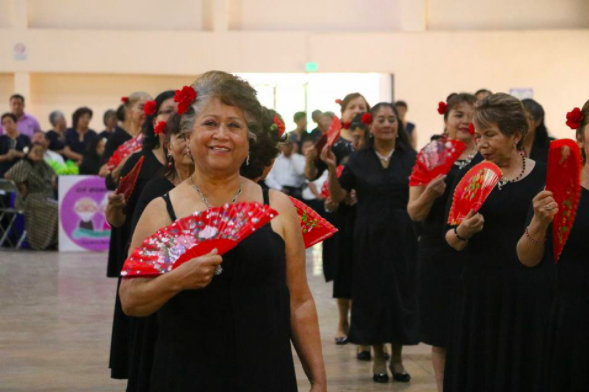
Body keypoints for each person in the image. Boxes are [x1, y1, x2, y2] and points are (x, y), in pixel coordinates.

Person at [119, 71, 326, 392]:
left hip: (266, 372)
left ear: (249, 140)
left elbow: (299, 301)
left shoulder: (280, 207)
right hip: (186, 374)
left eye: (234, 125)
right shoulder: (161, 210)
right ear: (187, 137)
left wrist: (318, 379)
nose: (222, 135)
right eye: (210, 123)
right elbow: (130, 300)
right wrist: (176, 279)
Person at [443, 93, 551, 392]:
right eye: (477, 136)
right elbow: (451, 238)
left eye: (490, 134)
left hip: (526, 290)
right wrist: (463, 230)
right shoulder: (470, 176)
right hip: (478, 289)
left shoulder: (543, 176)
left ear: (516, 134)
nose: (482, 143)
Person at [322, 102, 418, 383]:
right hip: (368, 235)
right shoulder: (358, 160)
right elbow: (339, 197)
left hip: (403, 233)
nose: (387, 124)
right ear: (370, 126)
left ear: (398, 125)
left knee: (401, 293)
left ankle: (397, 359)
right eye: (381, 119)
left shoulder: (411, 158)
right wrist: (331, 170)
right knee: (373, 293)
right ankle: (378, 356)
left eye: (392, 119)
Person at [407, 93, 478, 392]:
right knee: (442, 331)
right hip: (438, 251)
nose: (465, 121)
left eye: (471, 115)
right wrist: (430, 194)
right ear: (446, 120)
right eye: (458, 114)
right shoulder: (431, 154)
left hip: (478, 251)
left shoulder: (489, 154)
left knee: (476, 329)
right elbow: (414, 211)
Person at [517, 100, 589, 392]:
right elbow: (527, 258)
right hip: (575, 317)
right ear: (580, 137)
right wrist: (539, 223)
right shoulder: (559, 188)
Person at [106, 90, 175, 384]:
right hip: (144, 261)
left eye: (178, 111)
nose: (172, 116)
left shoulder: (196, 162)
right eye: (166, 111)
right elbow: (119, 220)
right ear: (154, 118)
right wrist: (114, 211)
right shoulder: (138, 161)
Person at [305, 94, 370, 359]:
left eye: (362, 107)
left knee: (367, 269)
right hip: (340, 213)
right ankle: (343, 320)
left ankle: (364, 323)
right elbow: (311, 174)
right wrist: (312, 156)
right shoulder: (333, 140)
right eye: (352, 107)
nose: (357, 111)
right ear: (342, 112)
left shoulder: (372, 140)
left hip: (367, 211)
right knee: (343, 267)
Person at [4, 143, 58, 250]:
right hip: (28, 198)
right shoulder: (24, 164)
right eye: (36, 151)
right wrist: (20, 186)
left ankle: (53, 240)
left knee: (60, 206)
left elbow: (53, 176)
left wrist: (53, 180)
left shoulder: (44, 165)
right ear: (29, 153)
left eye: (41, 151)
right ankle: (42, 242)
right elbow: (8, 176)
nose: (39, 153)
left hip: (45, 197)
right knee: (55, 209)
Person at [100, 92, 152, 182]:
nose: (146, 112)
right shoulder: (116, 137)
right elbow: (103, 171)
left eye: (150, 108)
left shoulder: (154, 136)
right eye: (141, 108)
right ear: (128, 111)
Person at [521, 99, 554, 164]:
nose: (523, 122)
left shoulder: (550, 147)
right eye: (521, 117)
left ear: (538, 122)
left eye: (529, 118)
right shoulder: (510, 145)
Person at [0, 113, 31, 177]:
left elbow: (30, 155)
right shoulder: (1, 139)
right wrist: (6, 156)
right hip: (3, 172)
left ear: (16, 123)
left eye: (9, 122)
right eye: (4, 123)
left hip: (21, 172)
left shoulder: (25, 138)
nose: (7, 125)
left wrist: (18, 154)